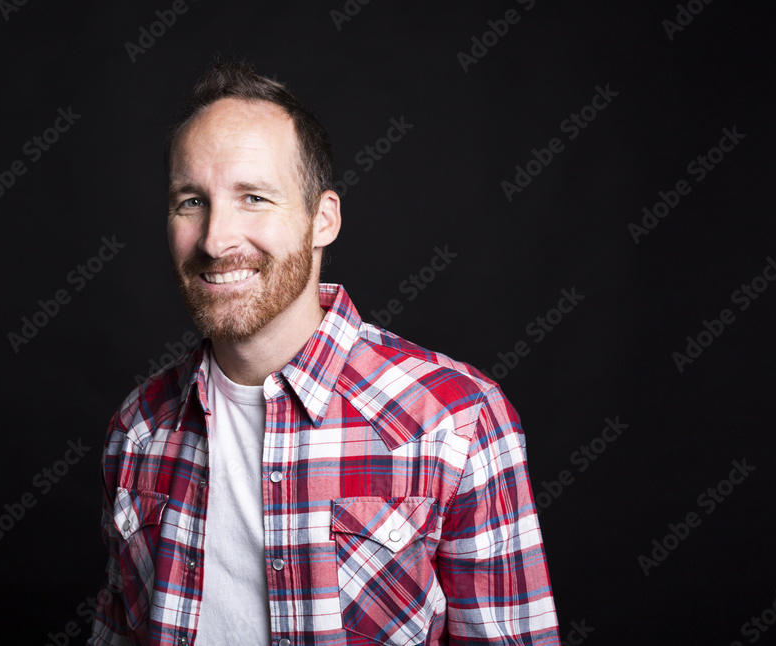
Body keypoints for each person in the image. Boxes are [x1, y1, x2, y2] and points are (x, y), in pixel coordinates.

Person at [88, 58, 561, 646]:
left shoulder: (458, 420)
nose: (215, 239)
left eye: (253, 197)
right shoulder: (135, 430)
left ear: (323, 219)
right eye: (191, 201)